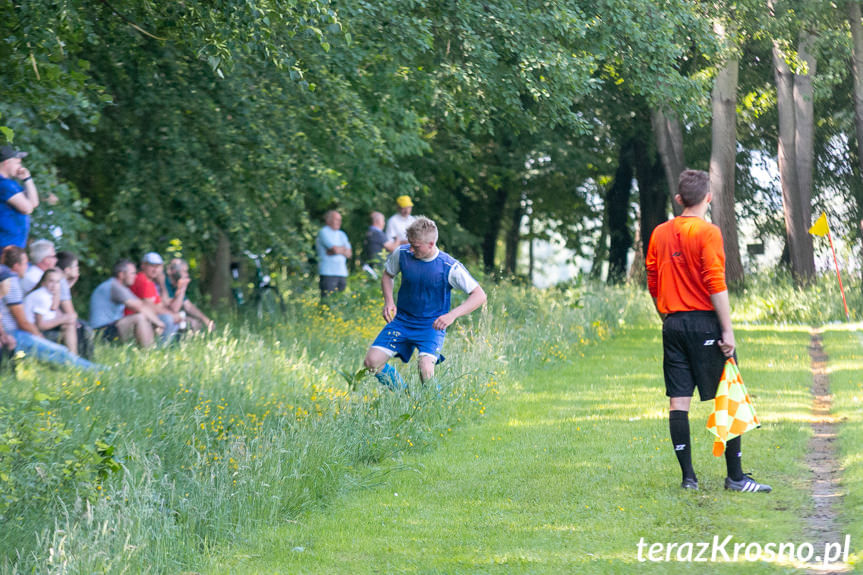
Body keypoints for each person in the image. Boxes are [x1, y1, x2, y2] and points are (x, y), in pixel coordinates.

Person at [645, 169, 771, 493]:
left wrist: (666, 313)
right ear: (709, 198)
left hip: (672, 324)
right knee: (728, 394)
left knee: (678, 401)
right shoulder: (709, 232)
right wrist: (727, 330)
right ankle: (736, 478)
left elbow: (652, 280)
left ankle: (688, 478)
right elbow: (716, 283)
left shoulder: (659, 233)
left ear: (678, 199)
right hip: (705, 322)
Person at [363, 216, 487, 387]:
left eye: (416, 246)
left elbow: (479, 295)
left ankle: (433, 408)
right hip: (401, 322)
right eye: (410, 244)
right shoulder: (402, 253)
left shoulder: (449, 267)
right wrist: (389, 301)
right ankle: (404, 396)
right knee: (371, 362)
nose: (411, 250)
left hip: (431, 326)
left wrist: (452, 315)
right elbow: (387, 275)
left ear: (431, 244)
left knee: (426, 370)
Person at [0, 246, 99, 370]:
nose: (27, 266)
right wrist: (38, 336)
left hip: (15, 332)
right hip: (16, 334)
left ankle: (87, 367)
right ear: (15, 266)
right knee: (60, 351)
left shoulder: (14, 281)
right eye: (25, 263)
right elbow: (22, 322)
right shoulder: (11, 283)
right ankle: (96, 370)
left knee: (63, 345)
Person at [20, 241, 93, 358]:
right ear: (46, 260)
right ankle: (77, 361)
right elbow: (42, 321)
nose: (56, 260)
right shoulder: (36, 278)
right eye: (54, 256)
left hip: (41, 322)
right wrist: (65, 318)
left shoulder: (40, 276)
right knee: (79, 327)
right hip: (33, 329)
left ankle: (79, 361)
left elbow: (52, 306)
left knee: (75, 324)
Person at [90, 259, 165, 348]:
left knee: (145, 317)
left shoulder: (120, 287)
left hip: (110, 328)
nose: (135, 276)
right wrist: (159, 323)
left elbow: (142, 305)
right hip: (100, 332)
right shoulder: (114, 286)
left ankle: (151, 349)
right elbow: (139, 307)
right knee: (139, 318)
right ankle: (149, 353)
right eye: (132, 273)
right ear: (121, 274)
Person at [0, 145, 57, 249]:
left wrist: (27, 179)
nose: (20, 166)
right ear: (6, 162)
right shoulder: (3, 184)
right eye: (17, 162)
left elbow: (34, 203)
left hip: (12, 246)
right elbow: (27, 209)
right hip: (5, 246)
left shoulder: (11, 183)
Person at [127, 252, 180, 342]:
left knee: (175, 318)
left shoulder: (151, 282)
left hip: (146, 316)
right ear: (143, 265)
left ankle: (169, 348)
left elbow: (162, 304)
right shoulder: (142, 279)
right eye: (152, 266)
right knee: (168, 318)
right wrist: (172, 314)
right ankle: (161, 350)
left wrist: (162, 284)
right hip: (135, 317)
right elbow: (149, 306)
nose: (155, 270)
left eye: (158, 266)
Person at [162, 258, 215, 333]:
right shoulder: (164, 283)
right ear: (174, 271)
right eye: (184, 271)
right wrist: (182, 288)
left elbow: (188, 306)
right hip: (163, 317)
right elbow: (174, 308)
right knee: (192, 323)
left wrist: (206, 320)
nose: (187, 275)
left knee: (197, 323)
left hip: (173, 316)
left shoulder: (176, 285)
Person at [315, 210, 351, 298]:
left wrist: (336, 250)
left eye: (340, 220)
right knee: (327, 301)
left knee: (340, 301)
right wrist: (341, 250)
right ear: (328, 220)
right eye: (336, 219)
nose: (339, 222)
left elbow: (349, 253)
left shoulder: (342, 234)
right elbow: (334, 250)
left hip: (342, 273)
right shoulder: (323, 232)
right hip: (328, 273)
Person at [362, 212, 398, 278]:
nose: (384, 223)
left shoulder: (369, 232)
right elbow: (392, 248)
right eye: (383, 220)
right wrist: (397, 239)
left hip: (371, 266)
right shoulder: (377, 233)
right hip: (378, 269)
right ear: (377, 221)